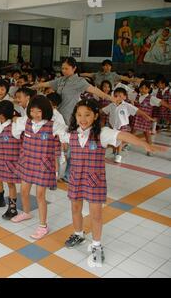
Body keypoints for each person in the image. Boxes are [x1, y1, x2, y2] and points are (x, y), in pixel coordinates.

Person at [60, 99, 166, 267]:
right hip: (75, 178)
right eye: (79, 115)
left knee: (96, 215)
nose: (83, 118)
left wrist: (145, 144)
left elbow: (123, 135)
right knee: (75, 208)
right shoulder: (70, 132)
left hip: (95, 180)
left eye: (87, 114)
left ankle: (96, 245)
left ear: (95, 116)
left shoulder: (102, 133)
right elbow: (53, 128)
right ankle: (78, 234)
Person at [9, 96, 67, 240]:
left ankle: (43, 225)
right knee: (23, 190)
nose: (35, 115)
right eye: (32, 111)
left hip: (43, 165)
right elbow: (15, 129)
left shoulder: (53, 125)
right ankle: (26, 212)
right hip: (27, 162)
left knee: (40, 195)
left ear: (46, 111)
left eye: (38, 112)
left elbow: (66, 134)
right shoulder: (26, 122)